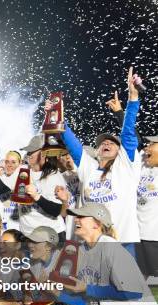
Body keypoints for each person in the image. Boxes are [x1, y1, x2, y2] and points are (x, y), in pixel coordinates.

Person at [60, 67, 142, 251]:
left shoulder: (125, 166)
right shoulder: (89, 168)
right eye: (102, 142)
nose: (106, 143)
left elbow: (128, 133)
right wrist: (58, 118)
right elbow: (74, 147)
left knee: (123, 280)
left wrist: (132, 98)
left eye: (112, 142)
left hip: (122, 241)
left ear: (120, 151)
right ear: (96, 151)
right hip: (90, 243)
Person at [136, 136, 158, 280]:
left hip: (154, 235)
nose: (146, 147)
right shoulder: (142, 164)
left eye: (152, 144)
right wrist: (119, 113)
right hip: (138, 233)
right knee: (138, 275)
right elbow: (135, 140)